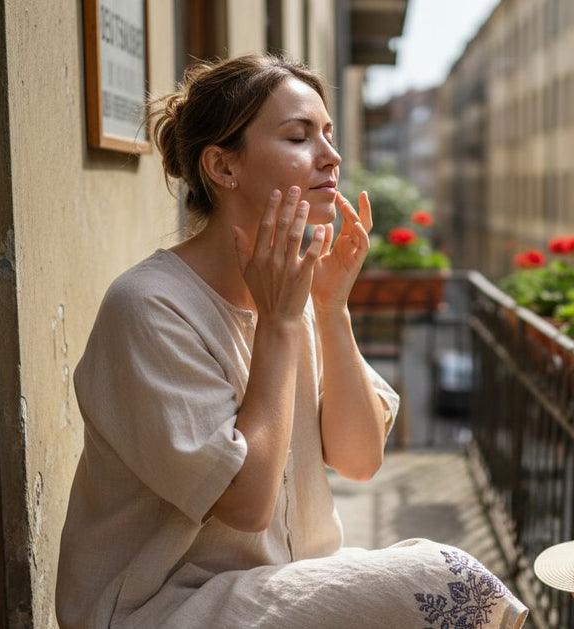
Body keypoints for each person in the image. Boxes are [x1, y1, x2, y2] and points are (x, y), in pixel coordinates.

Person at [55, 54, 528, 629]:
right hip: (163, 608)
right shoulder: (149, 306)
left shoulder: (296, 295)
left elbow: (359, 459)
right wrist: (279, 324)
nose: (330, 157)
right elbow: (246, 504)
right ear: (223, 168)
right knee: (444, 577)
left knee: (426, 581)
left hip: (286, 581)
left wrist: (330, 308)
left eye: (329, 135)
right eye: (299, 136)